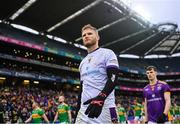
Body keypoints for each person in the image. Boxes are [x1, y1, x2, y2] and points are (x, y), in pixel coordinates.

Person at [75, 24, 119, 123]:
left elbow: (113, 77)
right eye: (84, 35)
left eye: (90, 33)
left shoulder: (107, 53)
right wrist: (77, 113)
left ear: (98, 37)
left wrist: (101, 98)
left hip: (104, 108)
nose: (86, 36)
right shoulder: (82, 63)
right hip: (84, 111)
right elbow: (81, 90)